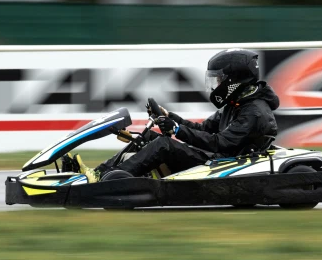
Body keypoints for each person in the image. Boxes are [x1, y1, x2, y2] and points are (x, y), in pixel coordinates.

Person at [70, 48, 280, 182]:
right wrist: (169, 116)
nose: (215, 85)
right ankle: (99, 173)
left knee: (164, 144)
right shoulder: (236, 103)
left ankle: (111, 182)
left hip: (222, 165)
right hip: (215, 157)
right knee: (148, 137)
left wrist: (177, 130)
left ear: (234, 79)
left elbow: (219, 143)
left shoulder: (254, 112)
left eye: (219, 80)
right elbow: (204, 129)